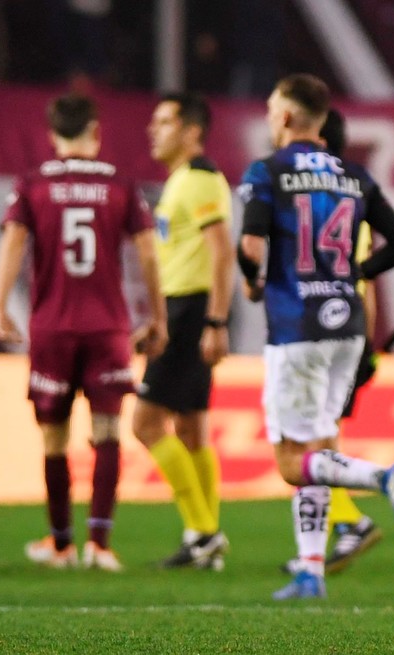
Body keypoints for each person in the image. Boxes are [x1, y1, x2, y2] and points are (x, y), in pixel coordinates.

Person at [236, 74, 394, 601]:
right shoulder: (354, 176)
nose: (271, 119)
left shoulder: (268, 172)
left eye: (273, 110)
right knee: (316, 444)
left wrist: (252, 283)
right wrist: (357, 273)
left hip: (297, 327)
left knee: (292, 461)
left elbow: (251, 246)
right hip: (348, 328)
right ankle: (310, 570)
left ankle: (385, 479)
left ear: (288, 117)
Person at [0, 94, 167, 572]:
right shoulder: (121, 186)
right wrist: (159, 318)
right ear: (95, 130)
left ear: (52, 133)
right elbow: (148, 254)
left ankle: (61, 543)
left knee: (54, 437)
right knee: (107, 431)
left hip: (52, 328)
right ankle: (100, 545)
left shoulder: (32, 185)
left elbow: (13, 240)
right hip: (109, 327)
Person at [278, 108, 388, 576]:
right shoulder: (352, 200)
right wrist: (369, 339)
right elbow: (370, 279)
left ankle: (349, 521)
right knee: (321, 438)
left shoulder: (313, 200)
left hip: (317, 331)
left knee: (305, 446)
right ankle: (319, 547)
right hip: (349, 330)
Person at [136, 92, 234, 570]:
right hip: (183, 309)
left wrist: (215, 321)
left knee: (145, 424)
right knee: (191, 427)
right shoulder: (183, 181)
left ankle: (204, 531)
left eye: (165, 122)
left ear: (192, 131)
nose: (154, 130)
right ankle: (205, 539)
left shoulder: (197, 181)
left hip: (189, 311)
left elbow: (222, 252)